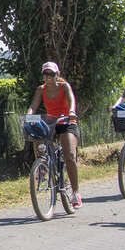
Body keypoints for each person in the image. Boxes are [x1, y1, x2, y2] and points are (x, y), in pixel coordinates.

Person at [26, 61, 81, 209]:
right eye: (45, 74)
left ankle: (75, 192)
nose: (48, 77)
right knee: (36, 133)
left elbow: (71, 100)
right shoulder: (40, 89)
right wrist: (29, 115)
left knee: (69, 155)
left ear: (57, 75)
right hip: (50, 120)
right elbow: (33, 105)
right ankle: (43, 167)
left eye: (51, 74)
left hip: (66, 121)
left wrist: (71, 112)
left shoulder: (64, 86)